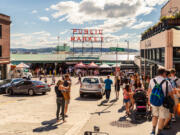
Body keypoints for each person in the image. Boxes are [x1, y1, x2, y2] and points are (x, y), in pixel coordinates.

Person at [148, 68, 173, 135]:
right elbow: (170, 93)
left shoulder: (152, 80)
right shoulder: (167, 82)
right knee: (162, 118)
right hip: (163, 102)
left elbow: (149, 92)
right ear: (164, 73)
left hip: (154, 101)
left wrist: (149, 101)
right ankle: (159, 133)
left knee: (154, 116)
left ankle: (153, 131)